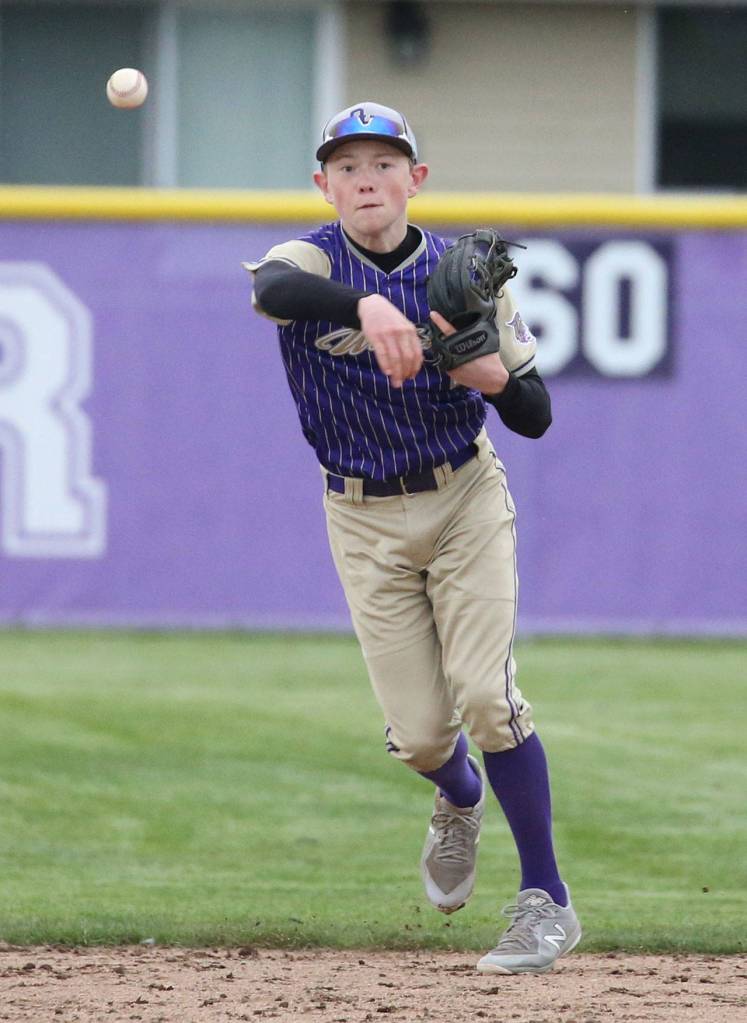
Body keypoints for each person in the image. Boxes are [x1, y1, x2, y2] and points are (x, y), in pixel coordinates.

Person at [244, 101, 581, 975]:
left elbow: (534, 415)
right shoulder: (312, 260)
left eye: (384, 164)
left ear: (414, 179)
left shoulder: (463, 276)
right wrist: (365, 301)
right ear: (323, 184)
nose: (366, 180)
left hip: (462, 494)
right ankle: (458, 796)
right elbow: (271, 291)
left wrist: (492, 376)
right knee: (425, 738)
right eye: (347, 167)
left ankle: (545, 900)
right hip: (359, 513)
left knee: (488, 699)